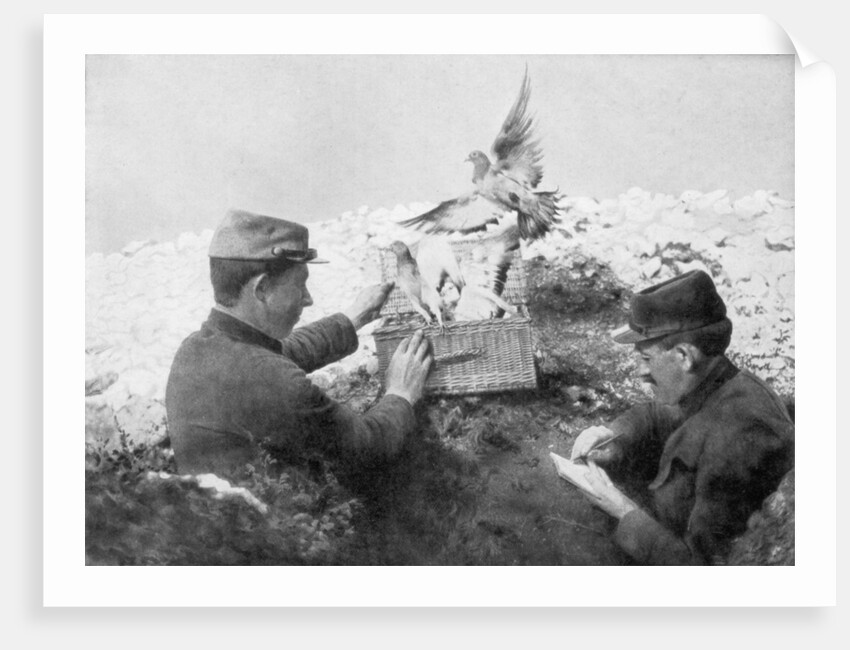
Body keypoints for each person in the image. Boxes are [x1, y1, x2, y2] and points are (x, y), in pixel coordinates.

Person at [165, 209, 433, 480]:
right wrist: (401, 393)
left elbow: (285, 352)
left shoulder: (196, 349)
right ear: (262, 289)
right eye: (300, 285)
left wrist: (353, 318)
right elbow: (367, 446)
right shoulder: (270, 379)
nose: (308, 299)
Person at [568, 270, 794, 565]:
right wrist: (614, 437)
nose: (640, 371)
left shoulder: (737, 442)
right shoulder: (716, 383)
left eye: (646, 358)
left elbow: (701, 568)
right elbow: (657, 415)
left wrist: (623, 511)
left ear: (685, 357)